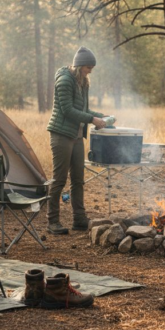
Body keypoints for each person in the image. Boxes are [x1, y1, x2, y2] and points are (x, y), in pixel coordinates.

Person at [46, 47, 107, 235]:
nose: (90, 71)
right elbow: (68, 110)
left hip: (77, 136)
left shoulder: (83, 82)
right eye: (88, 67)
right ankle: (52, 221)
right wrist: (92, 120)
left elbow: (85, 109)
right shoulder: (65, 80)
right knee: (59, 179)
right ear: (80, 66)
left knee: (78, 179)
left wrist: (101, 116)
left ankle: (79, 219)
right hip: (61, 135)